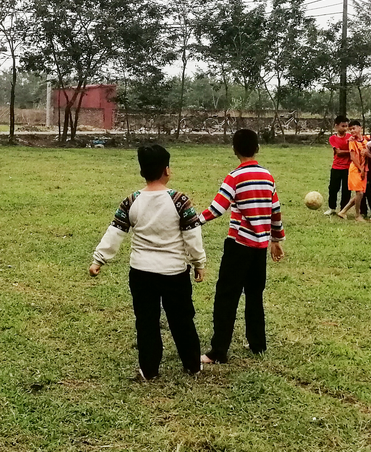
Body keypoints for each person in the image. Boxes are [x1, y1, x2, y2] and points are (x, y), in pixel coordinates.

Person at [89, 144, 206, 380]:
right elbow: (193, 235)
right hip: (174, 272)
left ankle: (149, 369)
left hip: (141, 273)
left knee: (146, 321)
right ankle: (192, 364)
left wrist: (98, 259)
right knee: (182, 318)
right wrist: (198, 263)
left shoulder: (131, 201)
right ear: (167, 170)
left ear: (142, 171)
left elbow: (115, 232)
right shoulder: (180, 201)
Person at [198, 129, 285, 364]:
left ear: (234, 149)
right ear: (257, 148)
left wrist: (194, 220)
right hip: (259, 248)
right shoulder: (267, 176)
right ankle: (258, 344)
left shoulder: (235, 176)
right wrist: (276, 240)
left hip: (238, 246)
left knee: (226, 297)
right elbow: (275, 211)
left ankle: (218, 351)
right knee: (255, 295)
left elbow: (217, 208)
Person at [337, 120, 369, 221]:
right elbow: (353, 157)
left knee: (360, 194)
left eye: (354, 128)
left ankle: (343, 211)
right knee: (359, 193)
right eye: (350, 129)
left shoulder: (366, 139)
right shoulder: (352, 141)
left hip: (364, 169)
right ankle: (357, 215)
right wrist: (361, 169)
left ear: (360, 128)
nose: (352, 131)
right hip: (356, 169)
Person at [324, 116, 351, 216]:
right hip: (336, 167)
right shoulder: (333, 138)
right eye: (342, 126)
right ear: (336, 126)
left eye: (346, 126)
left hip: (348, 168)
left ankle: (343, 210)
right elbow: (338, 152)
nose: (345, 128)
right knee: (333, 188)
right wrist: (351, 151)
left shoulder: (350, 137)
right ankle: (332, 208)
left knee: (346, 190)